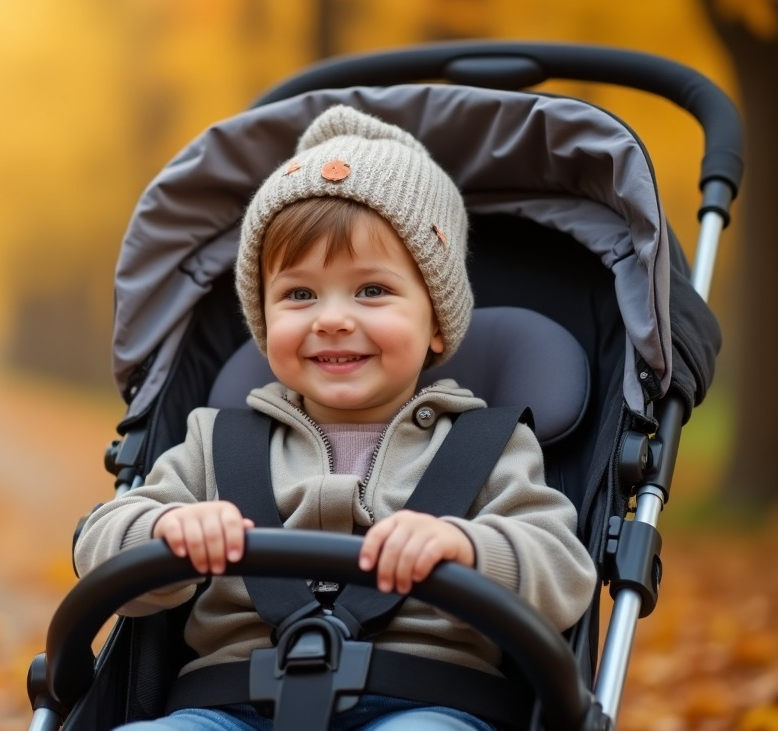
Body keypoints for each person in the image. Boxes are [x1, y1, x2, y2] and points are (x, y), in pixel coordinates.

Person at [73, 105, 598, 731]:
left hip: (423, 701)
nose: (332, 318)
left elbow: (564, 573)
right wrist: (168, 533)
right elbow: (102, 550)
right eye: (299, 294)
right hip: (228, 706)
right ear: (264, 322)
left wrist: (467, 547)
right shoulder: (217, 443)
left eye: (371, 290)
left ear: (437, 322)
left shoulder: (488, 445)